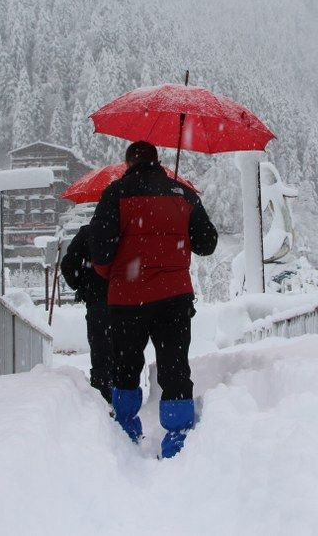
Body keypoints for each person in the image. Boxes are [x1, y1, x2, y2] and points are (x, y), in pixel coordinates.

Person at [89, 141, 218, 458]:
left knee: (126, 366)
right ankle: (177, 438)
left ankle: (127, 430)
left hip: (127, 299)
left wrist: (113, 273)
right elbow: (207, 243)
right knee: (175, 368)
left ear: (129, 162)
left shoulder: (115, 194)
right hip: (174, 298)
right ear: (157, 161)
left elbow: (100, 251)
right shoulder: (183, 194)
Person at [59, 224, 113, 404]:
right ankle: (126, 400)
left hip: (97, 300)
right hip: (126, 301)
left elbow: (68, 264)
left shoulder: (88, 232)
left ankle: (103, 399)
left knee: (100, 352)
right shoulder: (128, 229)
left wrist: (81, 284)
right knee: (126, 352)